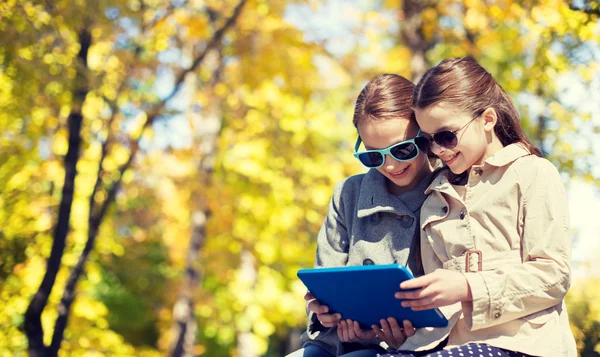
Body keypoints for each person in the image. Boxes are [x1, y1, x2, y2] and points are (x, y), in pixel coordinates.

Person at [377, 57, 577, 357]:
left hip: (519, 344)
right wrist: (402, 331)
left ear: (487, 119)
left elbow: (554, 276)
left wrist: (468, 286)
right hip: (440, 345)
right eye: (428, 140)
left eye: (446, 135)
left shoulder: (533, 173)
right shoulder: (434, 194)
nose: (438, 149)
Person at [286, 73, 437, 357]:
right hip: (333, 343)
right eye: (373, 156)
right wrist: (322, 312)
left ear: (424, 135)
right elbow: (325, 276)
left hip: (408, 348)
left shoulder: (446, 192)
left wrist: (405, 336)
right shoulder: (348, 194)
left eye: (402, 149)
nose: (390, 165)